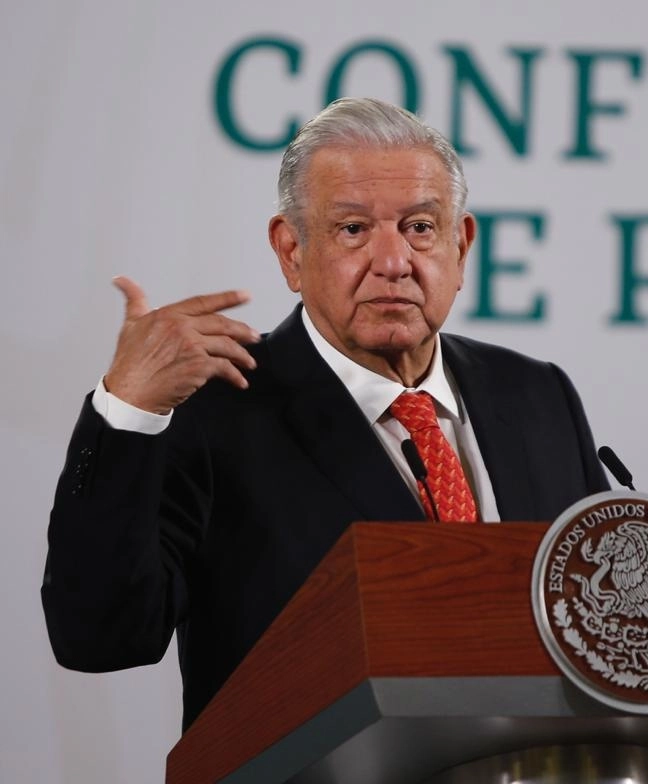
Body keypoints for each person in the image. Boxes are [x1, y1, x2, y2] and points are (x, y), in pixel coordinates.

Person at [41, 97, 610, 730]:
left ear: (462, 245)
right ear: (290, 251)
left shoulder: (536, 395)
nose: (394, 263)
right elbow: (99, 638)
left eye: (420, 227)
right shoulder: (211, 412)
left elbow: (598, 625)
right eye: (353, 230)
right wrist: (127, 413)